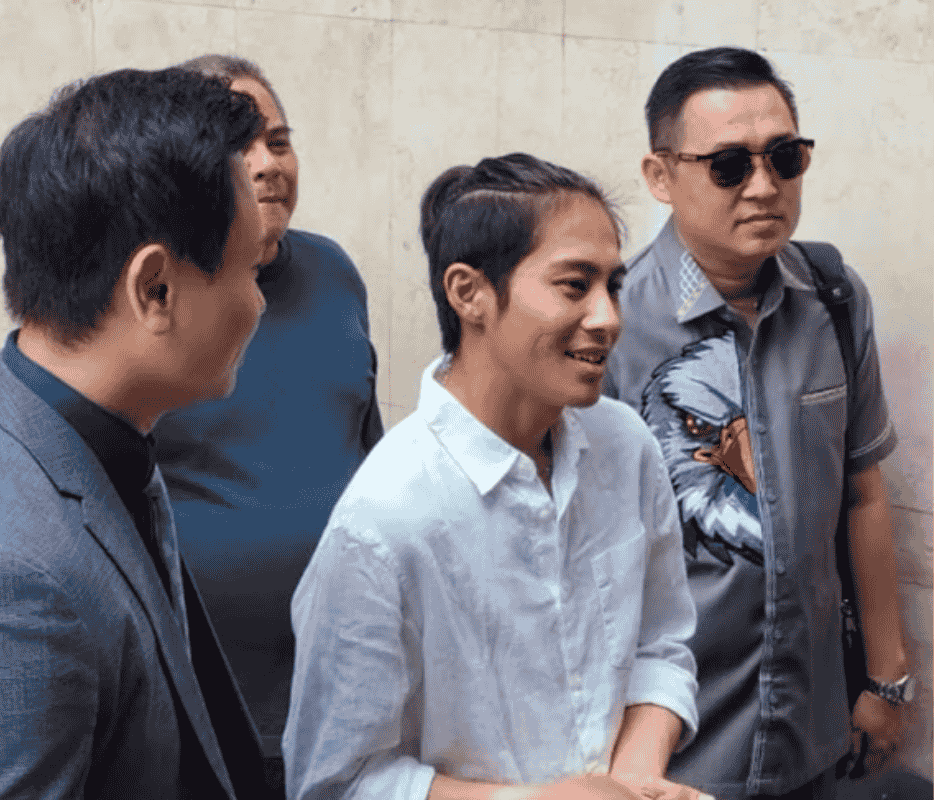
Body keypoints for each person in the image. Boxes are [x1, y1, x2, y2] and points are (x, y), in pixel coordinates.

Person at [0, 67, 274, 799]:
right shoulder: (6, 583)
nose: (259, 303)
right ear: (155, 289)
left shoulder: (42, 426)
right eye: (248, 269)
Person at [283, 153, 702, 800]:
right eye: (575, 286)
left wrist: (631, 784)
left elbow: (661, 645)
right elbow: (336, 782)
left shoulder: (626, 446)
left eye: (613, 286)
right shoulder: (384, 522)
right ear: (468, 293)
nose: (608, 318)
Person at [603, 47, 909, 799]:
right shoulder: (607, 324)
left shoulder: (833, 298)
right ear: (660, 176)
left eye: (784, 157)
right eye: (729, 165)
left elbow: (864, 493)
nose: (765, 186)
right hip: (670, 757)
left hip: (814, 740)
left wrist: (887, 679)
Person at [152, 54, 383, 786]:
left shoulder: (334, 273)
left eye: (278, 141)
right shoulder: (156, 295)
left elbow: (367, 444)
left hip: (345, 692)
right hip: (205, 716)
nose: (267, 163)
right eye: (239, 145)